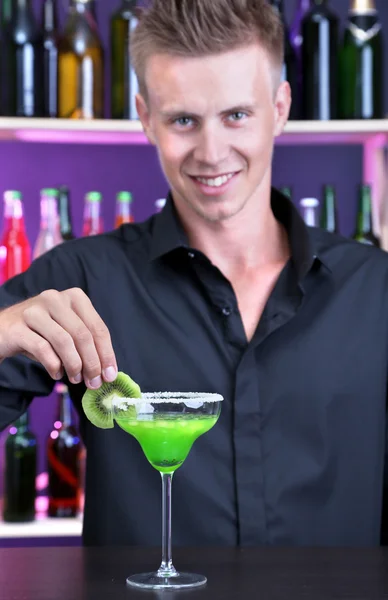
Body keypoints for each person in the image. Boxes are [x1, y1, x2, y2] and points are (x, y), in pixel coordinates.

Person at [0, 0, 388, 547]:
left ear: (280, 107)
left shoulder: (376, 291)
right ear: (145, 117)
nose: (211, 152)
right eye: (184, 119)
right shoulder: (81, 278)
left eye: (236, 115)